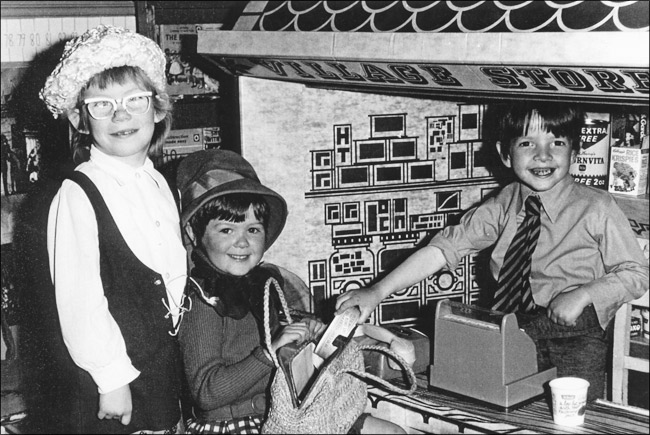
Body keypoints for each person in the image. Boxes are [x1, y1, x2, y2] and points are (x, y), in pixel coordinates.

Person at [336, 102, 649, 402]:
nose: (543, 155)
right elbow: (443, 249)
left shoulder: (598, 207)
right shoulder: (504, 203)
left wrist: (585, 295)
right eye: (527, 143)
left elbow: (636, 274)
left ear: (575, 153)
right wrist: (376, 291)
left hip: (573, 335)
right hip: (509, 323)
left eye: (557, 143)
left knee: (569, 416)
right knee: (498, 407)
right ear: (505, 154)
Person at [177, 149, 406, 434]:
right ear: (192, 233)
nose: (242, 242)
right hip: (234, 424)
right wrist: (270, 352)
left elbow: (276, 349)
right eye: (226, 230)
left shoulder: (262, 283)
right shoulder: (202, 300)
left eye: (253, 229)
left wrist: (301, 333)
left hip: (281, 411)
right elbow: (207, 393)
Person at [41, 25, 188, 433]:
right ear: (80, 119)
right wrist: (110, 378)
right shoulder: (78, 193)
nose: (120, 115)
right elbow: (79, 299)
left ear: (158, 110)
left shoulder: (159, 182)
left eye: (134, 101)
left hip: (160, 365)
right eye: (101, 105)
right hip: (114, 382)